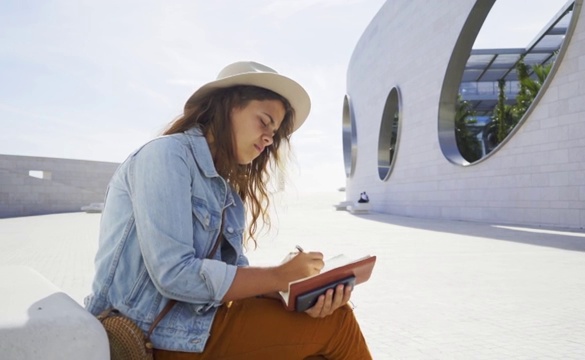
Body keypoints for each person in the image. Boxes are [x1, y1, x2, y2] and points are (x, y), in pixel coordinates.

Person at [84, 61, 372, 359]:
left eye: (274, 133)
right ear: (228, 106)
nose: (268, 139)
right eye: (264, 121)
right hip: (149, 333)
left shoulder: (229, 192)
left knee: (327, 319)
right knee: (337, 326)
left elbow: (235, 276)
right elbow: (173, 274)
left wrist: (296, 291)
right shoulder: (166, 155)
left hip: (195, 323)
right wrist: (277, 276)